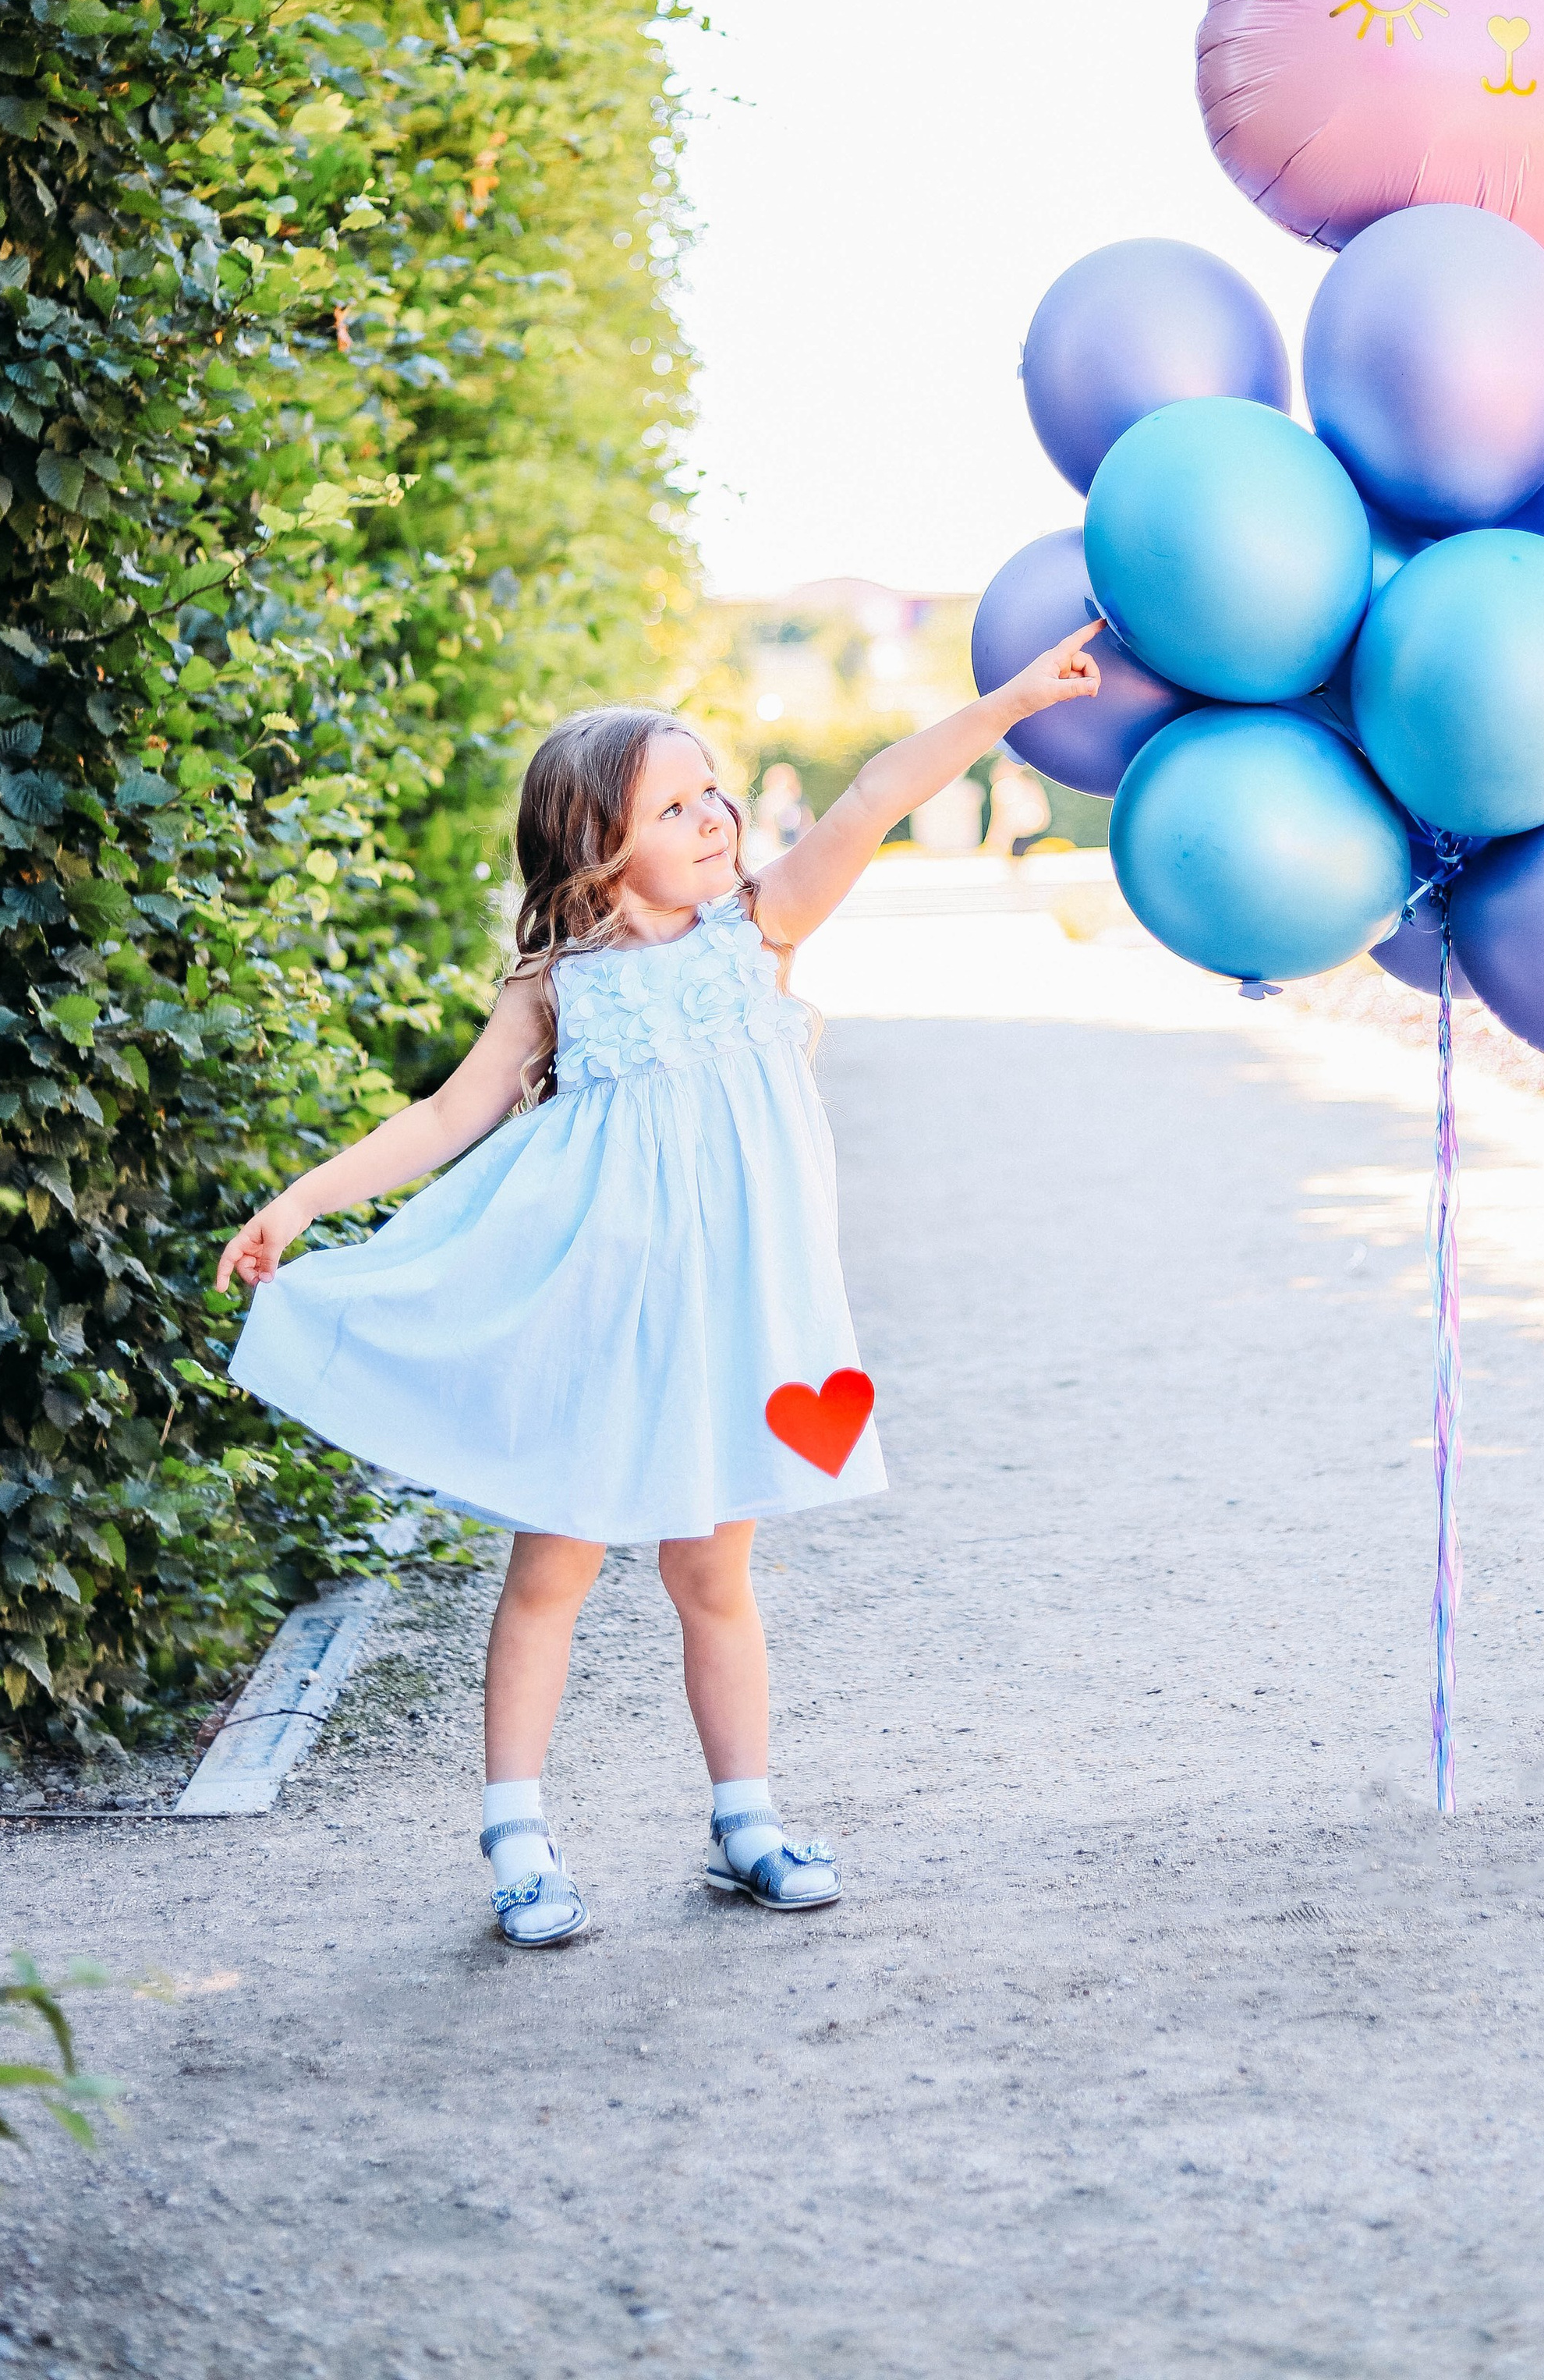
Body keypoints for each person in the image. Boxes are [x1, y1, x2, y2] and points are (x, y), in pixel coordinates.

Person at [214, 625, 1102, 1947]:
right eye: (675, 805)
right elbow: (444, 1119)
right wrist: (303, 1201)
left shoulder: (759, 932)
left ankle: (744, 1818)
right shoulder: (559, 991)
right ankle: (517, 1835)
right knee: (550, 1574)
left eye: (715, 792)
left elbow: (872, 794)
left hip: (736, 1324)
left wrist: (1012, 704)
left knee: (715, 1577)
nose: (716, 816)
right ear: (596, 850)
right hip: (600, 1319)